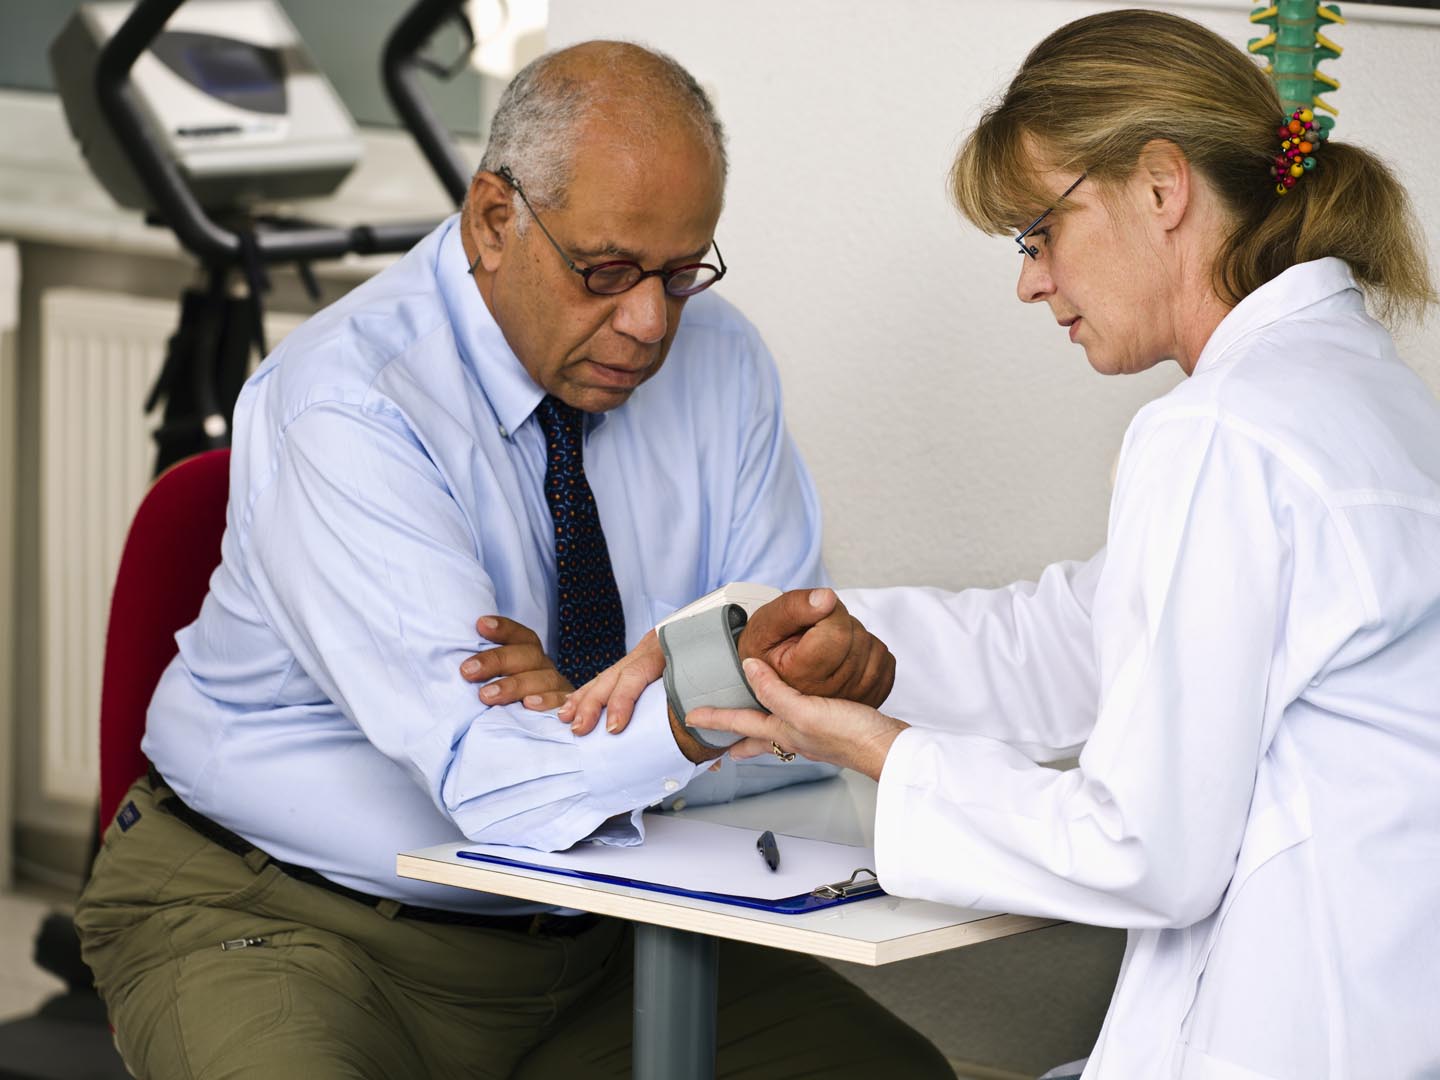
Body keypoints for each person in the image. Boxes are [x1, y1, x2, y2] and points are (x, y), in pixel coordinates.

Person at [567, 11, 1440, 1079]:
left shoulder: (1222, 432)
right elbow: (1082, 636)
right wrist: (848, 644)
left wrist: (866, 746)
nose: (1030, 281)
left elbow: (1144, 852)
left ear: (1162, 187)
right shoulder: (1368, 398)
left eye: (1039, 232)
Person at [74, 40, 952, 1080]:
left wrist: (601, 702)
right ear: (494, 218)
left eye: (681, 274)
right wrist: (677, 705)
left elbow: (772, 713)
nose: (650, 322)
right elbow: (493, 786)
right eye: (608, 271)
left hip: (605, 934)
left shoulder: (723, 363)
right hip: (289, 918)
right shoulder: (348, 403)